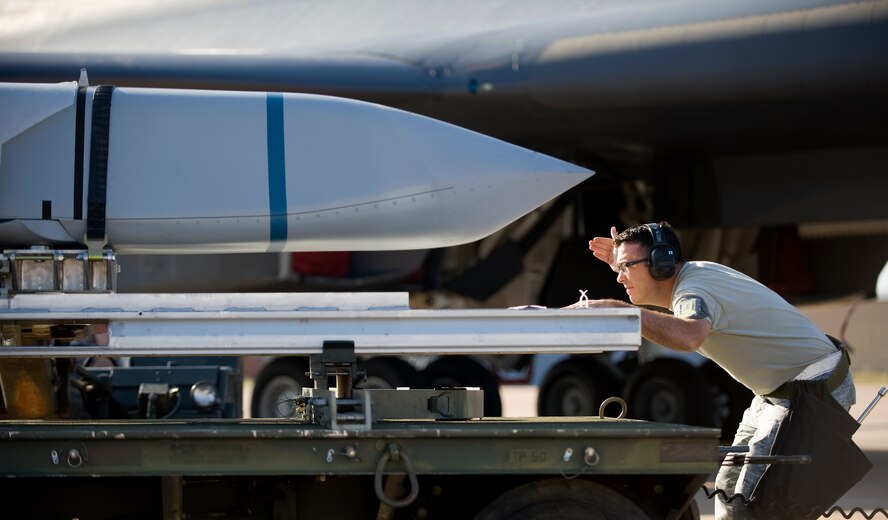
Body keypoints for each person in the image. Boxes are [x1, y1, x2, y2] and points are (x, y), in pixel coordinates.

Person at [568, 222, 856, 520]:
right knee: (730, 487)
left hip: (812, 389)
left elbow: (688, 337)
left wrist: (619, 311)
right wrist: (624, 261)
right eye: (619, 266)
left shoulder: (693, 291)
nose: (619, 276)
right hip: (780, 391)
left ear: (662, 264)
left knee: (756, 501)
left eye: (627, 266)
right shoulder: (692, 274)